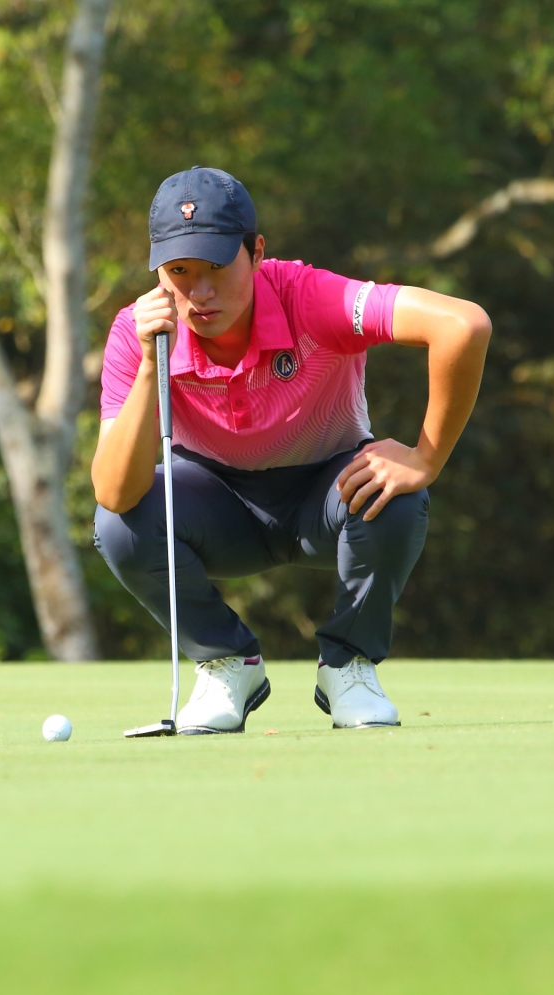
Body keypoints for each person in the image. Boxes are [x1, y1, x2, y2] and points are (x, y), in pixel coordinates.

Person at [91, 167, 490, 733]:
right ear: (158, 270)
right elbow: (113, 492)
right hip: (217, 504)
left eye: (216, 269)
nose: (199, 294)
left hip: (325, 496)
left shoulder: (311, 298)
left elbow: (464, 325)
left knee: (395, 494)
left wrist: (426, 457)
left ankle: (348, 664)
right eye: (180, 272)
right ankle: (226, 663)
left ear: (256, 252)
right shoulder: (139, 330)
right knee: (116, 523)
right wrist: (148, 365)